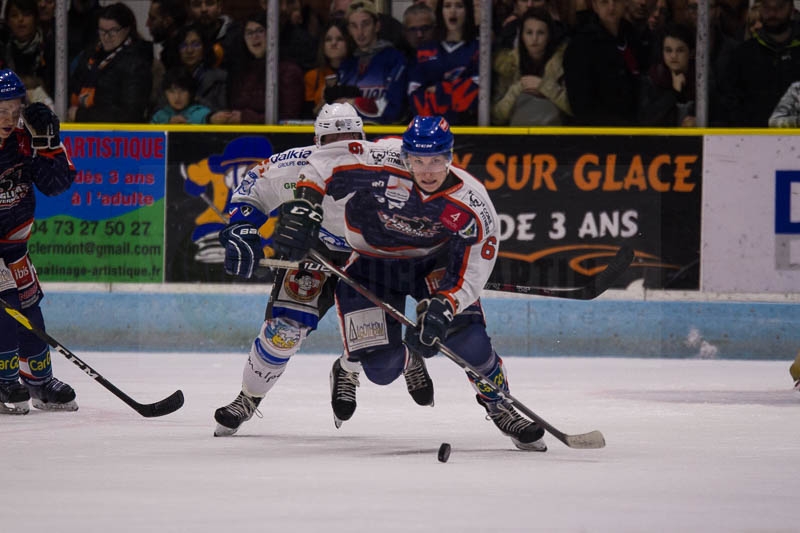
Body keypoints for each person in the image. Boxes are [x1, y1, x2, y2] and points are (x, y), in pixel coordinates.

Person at [270, 115, 547, 451]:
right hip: (370, 266)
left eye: (436, 160)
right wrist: (305, 206)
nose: (427, 170)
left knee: (468, 341)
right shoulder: (382, 160)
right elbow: (323, 162)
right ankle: (375, 362)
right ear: (406, 156)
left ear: (450, 156)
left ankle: (498, 404)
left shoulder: (472, 203)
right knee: (382, 369)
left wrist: (445, 305)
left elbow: (472, 269)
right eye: (418, 160)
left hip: (430, 264)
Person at [213, 103, 434, 436]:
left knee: (377, 357)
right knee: (283, 331)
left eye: (350, 139)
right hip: (315, 251)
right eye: (333, 140)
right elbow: (252, 190)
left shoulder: (389, 159)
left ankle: (353, 365)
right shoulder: (293, 164)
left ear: (363, 138)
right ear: (317, 143)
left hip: (369, 259)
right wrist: (242, 227)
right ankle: (248, 398)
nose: (341, 148)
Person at [0, 69, 77, 415]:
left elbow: (55, 185)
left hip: (15, 248)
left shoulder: (25, 137)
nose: (9, 117)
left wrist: (49, 144)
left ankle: (38, 381)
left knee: (30, 310)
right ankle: (3, 380)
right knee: (5, 313)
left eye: (14, 109)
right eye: (1, 109)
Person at [68, 2, 153, 123]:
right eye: (102, 31)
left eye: (113, 31)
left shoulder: (137, 64)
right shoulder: (90, 54)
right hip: (81, 129)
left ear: (127, 29)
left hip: (117, 136)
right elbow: (72, 86)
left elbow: (130, 114)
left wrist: (82, 115)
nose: (106, 37)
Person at [563, 0, 643, 126]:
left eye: (616, 1)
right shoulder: (581, 45)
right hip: (599, 133)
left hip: (635, 128)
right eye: (604, 2)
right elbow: (581, 104)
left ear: (624, 4)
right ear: (595, 6)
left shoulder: (633, 37)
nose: (611, 7)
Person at [721, 0, 800, 126]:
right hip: (751, 138)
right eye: (766, 6)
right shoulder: (742, 54)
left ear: (792, 10)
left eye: (780, 6)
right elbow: (728, 102)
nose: (773, 12)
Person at [217, 12, 303, 124]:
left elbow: (289, 118)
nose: (255, 37)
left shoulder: (289, 71)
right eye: (249, 33)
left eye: (260, 31)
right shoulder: (239, 71)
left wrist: (247, 118)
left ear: (272, 34)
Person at [331, 0, 408, 124]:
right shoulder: (347, 64)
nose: (360, 32)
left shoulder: (395, 59)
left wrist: (353, 103)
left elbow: (394, 109)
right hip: (351, 135)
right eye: (354, 26)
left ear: (377, 26)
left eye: (365, 24)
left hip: (383, 136)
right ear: (349, 29)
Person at [491, 7, 571, 126]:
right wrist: (518, 88)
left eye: (541, 33)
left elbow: (574, 108)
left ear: (549, 35)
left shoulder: (564, 62)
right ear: (521, 36)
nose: (534, 39)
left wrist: (544, 86)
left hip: (555, 136)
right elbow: (496, 116)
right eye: (529, 32)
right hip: (515, 137)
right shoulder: (507, 64)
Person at [407, 0, 481, 124]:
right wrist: (453, 92)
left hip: (467, 128)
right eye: (447, 6)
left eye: (459, 6)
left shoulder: (478, 48)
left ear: (468, 11)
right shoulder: (425, 49)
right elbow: (414, 93)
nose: (452, 11)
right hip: (430, 127)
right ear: (440, 11)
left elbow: (475, 92)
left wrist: (439, 89)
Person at [638, 23, 696, 127]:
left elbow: (721, 117)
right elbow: (646, 121)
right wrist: (674, 92)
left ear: (691, 53)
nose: (673, 56)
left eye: (680, 50)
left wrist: (700, 121)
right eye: (668, 50)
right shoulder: (652, 79)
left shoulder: (702, 80)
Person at [303, 20, 350, 118]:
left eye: (340, 39)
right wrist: (325, 99)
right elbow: (307, 116)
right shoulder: (312, 76)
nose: (333, 43)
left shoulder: (358, 72)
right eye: (328, 39)